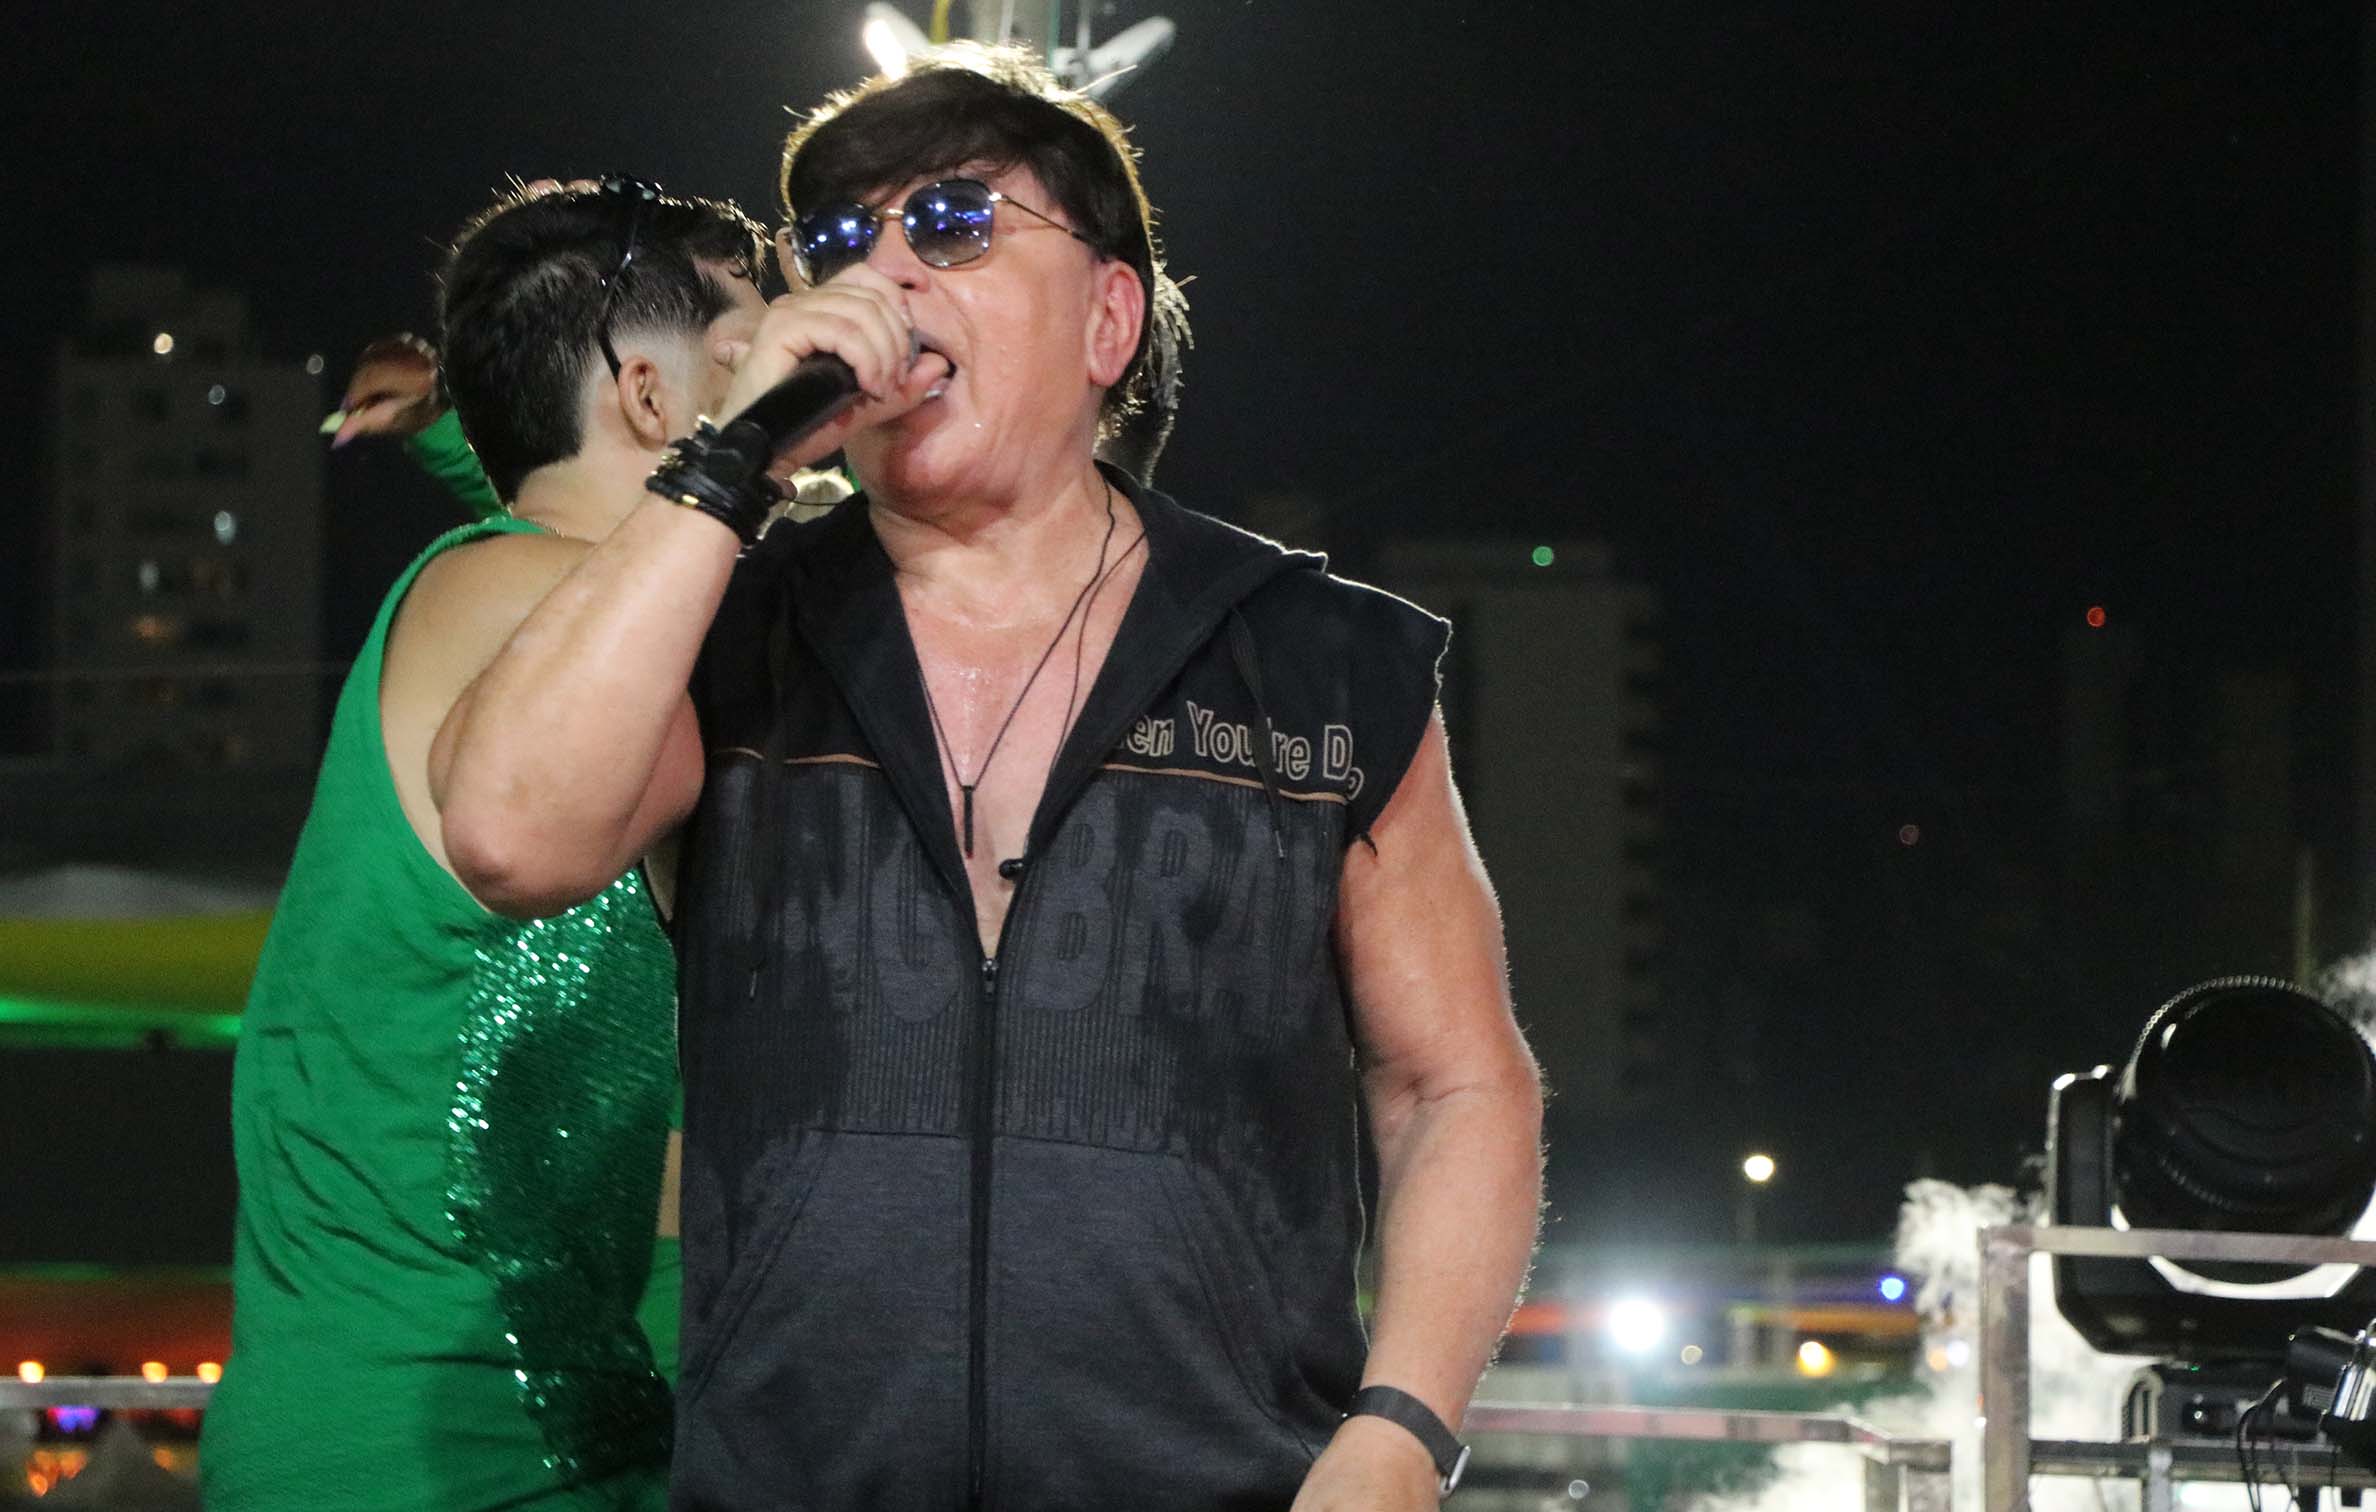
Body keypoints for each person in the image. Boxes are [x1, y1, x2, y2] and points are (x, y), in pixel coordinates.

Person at [437, 47, 1545, 1511]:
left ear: (1108, 318)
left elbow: (1455, 1081)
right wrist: (732, 458)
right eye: (843, 240)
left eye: (954, 223)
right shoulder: (724, 628)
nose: (887, 272)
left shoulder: (1319, 661)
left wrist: (1400, 1435)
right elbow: (508, 835)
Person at [202, 180, 778, 1512]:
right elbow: (656, 630)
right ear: (653, 396)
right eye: (755, 359)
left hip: (580, 1421)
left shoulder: (550, 589)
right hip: (434, 1454)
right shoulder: (521, 591)